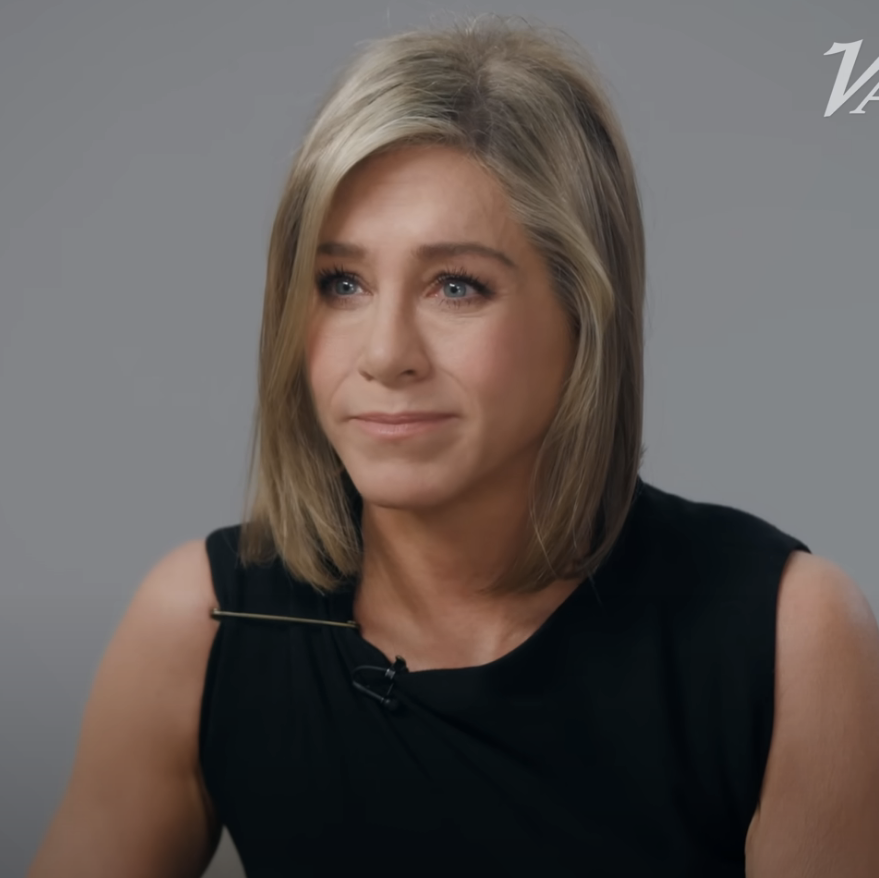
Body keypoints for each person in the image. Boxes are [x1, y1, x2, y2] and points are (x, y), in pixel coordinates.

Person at [27, 13, 879, 878]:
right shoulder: (201, 623)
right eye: (341, 283)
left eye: (457, 285)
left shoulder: (786, 636)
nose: (385, 353)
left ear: (583, 313)